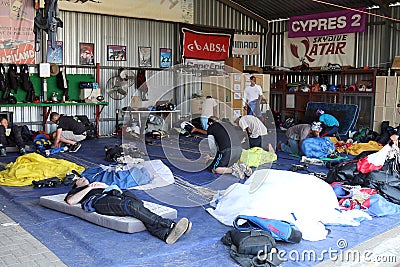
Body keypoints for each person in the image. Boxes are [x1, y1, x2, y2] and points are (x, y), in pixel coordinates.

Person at [65, 177, 191, 244]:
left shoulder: (97, 184)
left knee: (138, 206)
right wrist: (88, 188)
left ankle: (164, 234)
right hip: (99, 201)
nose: (82, 178)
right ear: (76, 184)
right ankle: (168, 224)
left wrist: (103, 186)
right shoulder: (76, 191)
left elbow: (115, 189)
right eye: (79, 179)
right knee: (130, 206)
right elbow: (71, 201)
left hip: (113, 195)